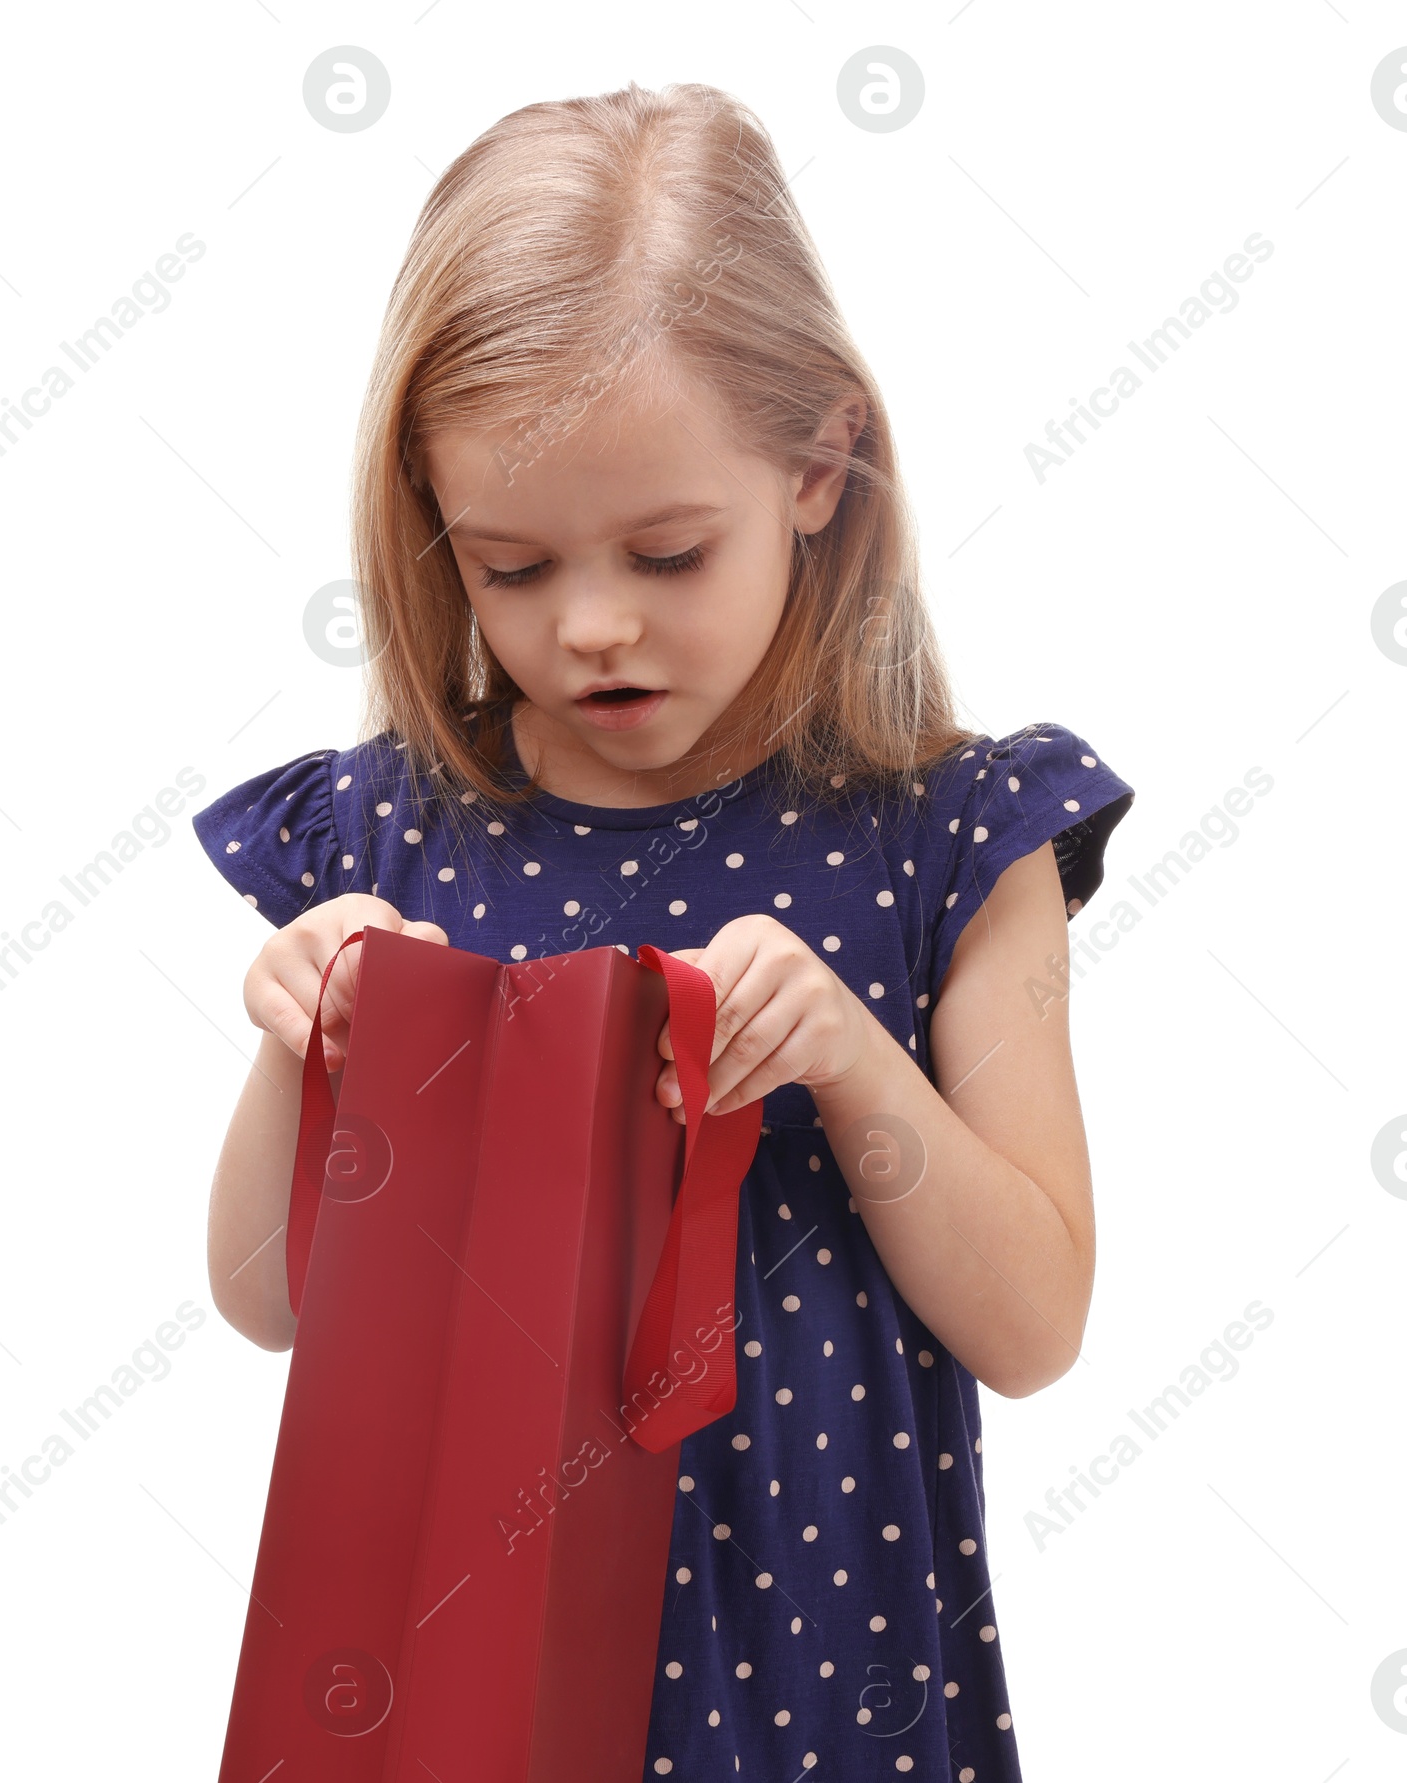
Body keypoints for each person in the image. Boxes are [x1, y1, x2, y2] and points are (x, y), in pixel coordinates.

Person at [192, 79, 1134, 1780]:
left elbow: (1036, 1323)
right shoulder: (393, 833)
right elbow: (268, 1303)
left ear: (822, 465)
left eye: (667, 551)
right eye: (513, 567)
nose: (595, 626)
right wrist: (297, 1050)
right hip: (469, 1647)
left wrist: (854, 1059)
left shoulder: (950, 837)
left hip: (829, 1653)